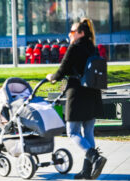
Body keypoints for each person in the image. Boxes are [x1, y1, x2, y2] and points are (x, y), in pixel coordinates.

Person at [46, 18, 107, 180]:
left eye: (72, 32)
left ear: (80, 33)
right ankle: (87, 171)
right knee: (88, 132)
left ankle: (95, 158)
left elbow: (62, 70)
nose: (70, 34)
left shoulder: (75, 47)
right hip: (93, 94)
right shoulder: (92, 47)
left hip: (78, 94)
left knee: (72, 131)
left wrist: (51, 77)